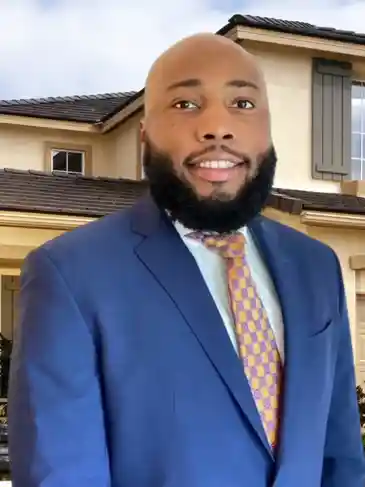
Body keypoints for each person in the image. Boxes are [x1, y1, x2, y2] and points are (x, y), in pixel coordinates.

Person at [8, 33, 365, 487]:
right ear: (145, 136)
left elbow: (341, 460)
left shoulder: (317, 267)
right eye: (185, 105)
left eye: (242, 102)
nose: (218, 126)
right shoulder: (71, 276)